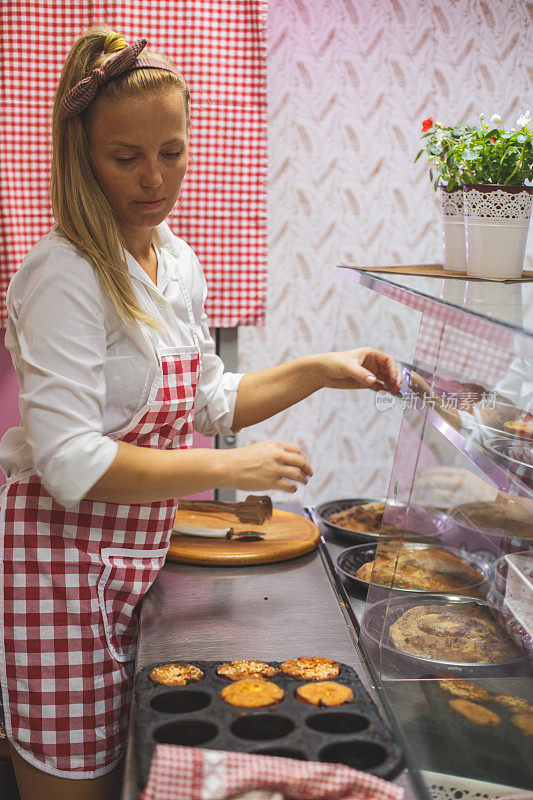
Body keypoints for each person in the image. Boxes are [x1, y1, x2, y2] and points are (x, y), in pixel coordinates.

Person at [0, 26, 401, 800]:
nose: (154, 178)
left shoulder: (174, 259)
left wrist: (320, 369)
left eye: (172, 152)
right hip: (58, 578)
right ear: (81, 152)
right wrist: (226, 467)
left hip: (133, 569)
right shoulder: (62, 277)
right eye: (126, 157)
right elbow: (72, 462)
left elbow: (209, 399)